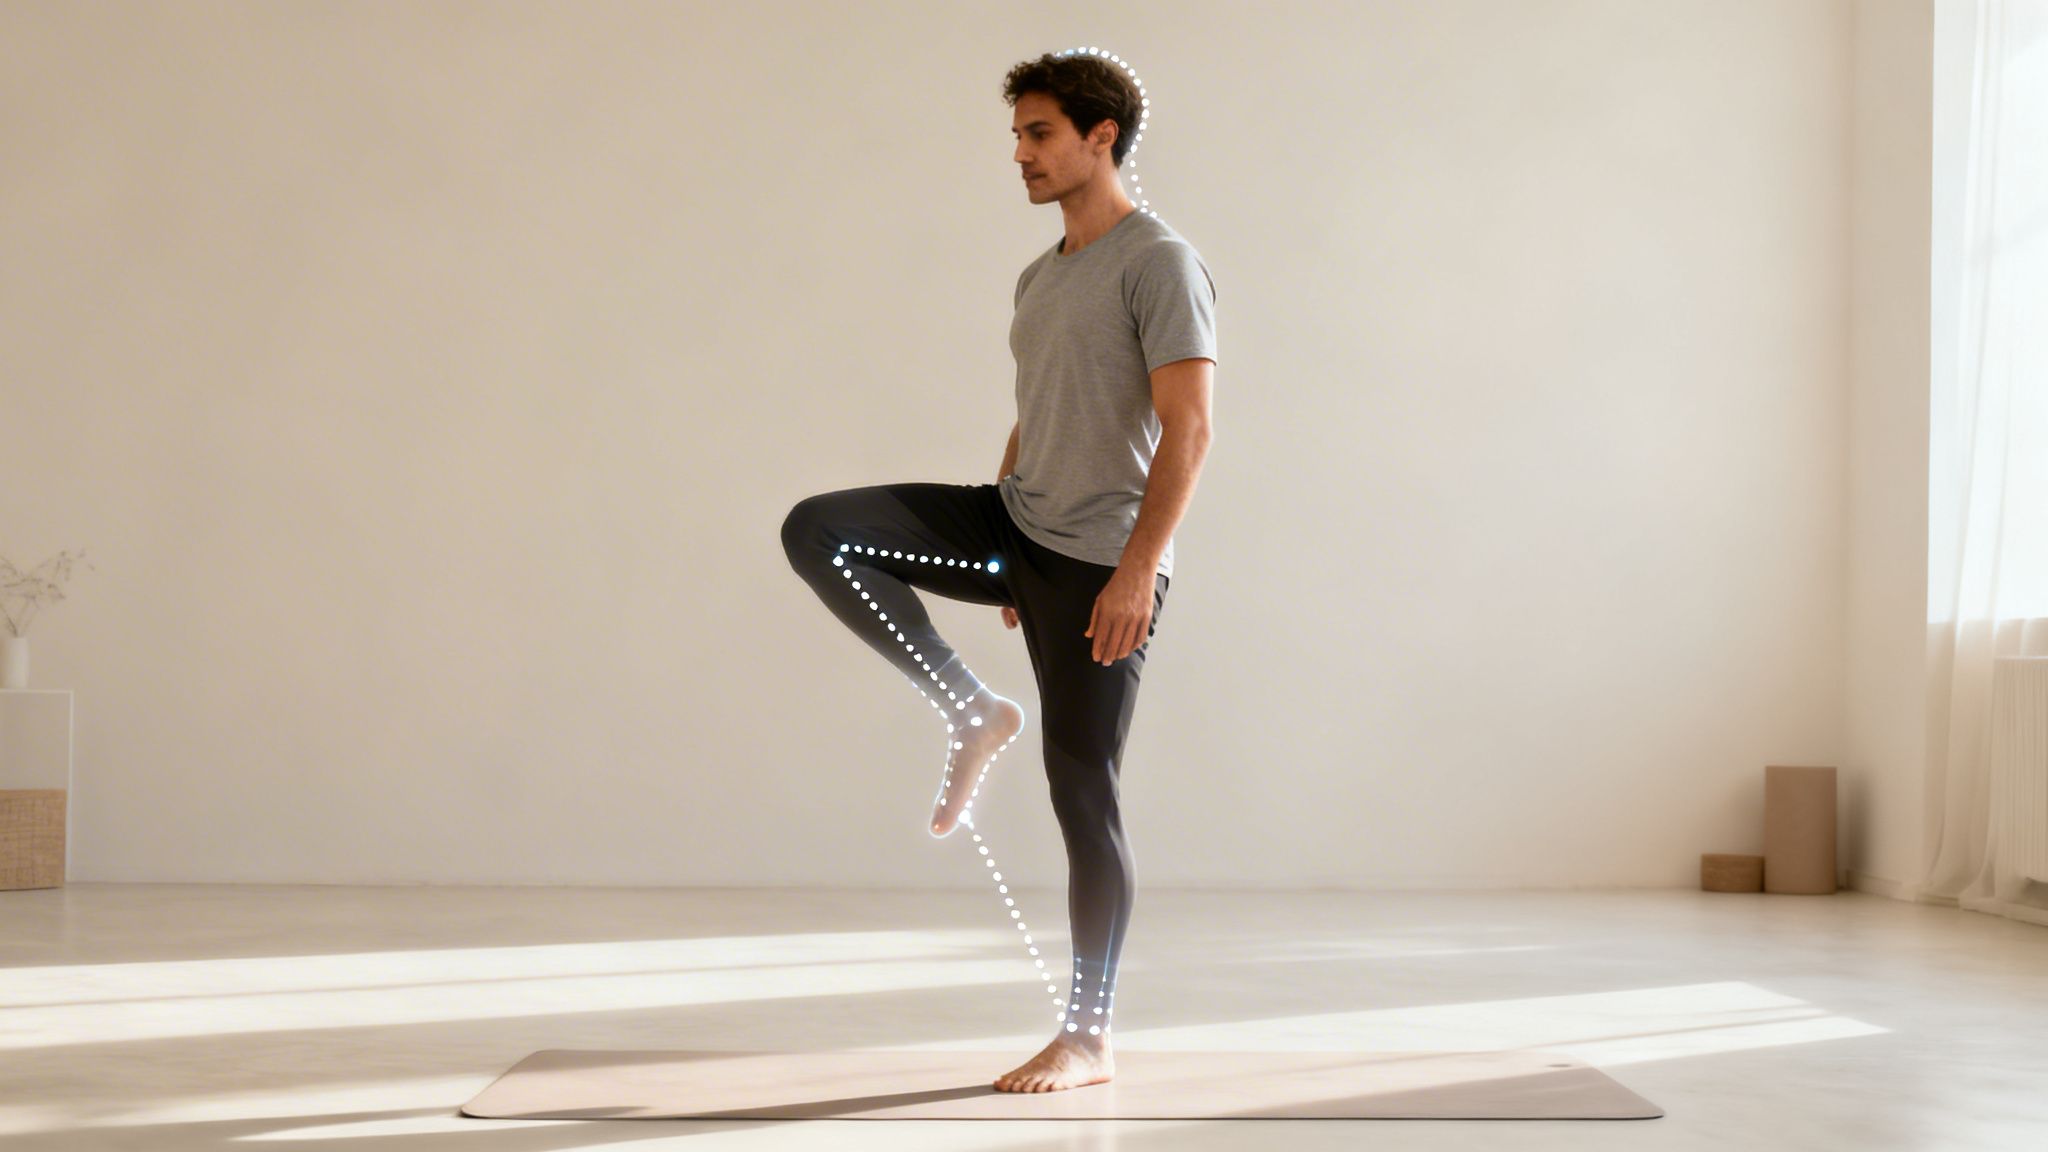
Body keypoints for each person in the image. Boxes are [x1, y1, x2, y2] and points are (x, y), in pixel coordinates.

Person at [780, 48, 1216, 1094]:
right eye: (1017, 134)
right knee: (819, 530)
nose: (1018, 154)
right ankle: (967, 707)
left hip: (1098, 564)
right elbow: (1037, 409)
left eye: (1038, 134)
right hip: (1015, 531)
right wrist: (1002, 535)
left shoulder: (1158, 261)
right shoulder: (1042, 272)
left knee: (1081, 791)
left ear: (1098, 139)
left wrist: (1133, 573)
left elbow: (1188, 428)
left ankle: (1088, 1038)